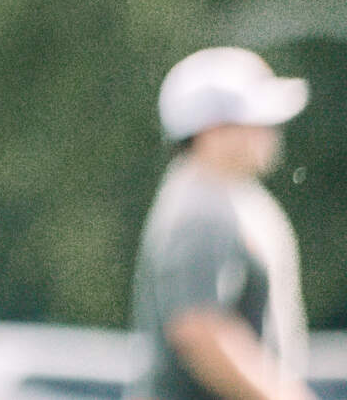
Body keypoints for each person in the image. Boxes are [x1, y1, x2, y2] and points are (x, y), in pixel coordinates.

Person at [129, 48, 313, 400]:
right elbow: (198, 329)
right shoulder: (200, 210)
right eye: (256, 121)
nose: (271, 132)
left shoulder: (227, 197)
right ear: (212, 130)